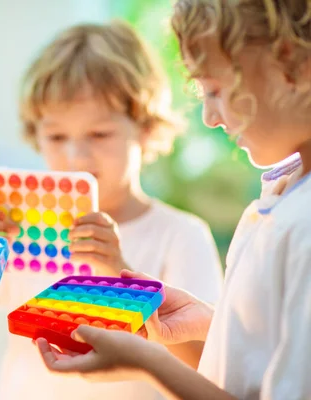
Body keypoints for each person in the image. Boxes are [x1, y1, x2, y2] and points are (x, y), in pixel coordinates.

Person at [36, 1, 311, 399]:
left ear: (293, 66)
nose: (209, 118)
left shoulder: (303, 225)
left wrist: (147, 361)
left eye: (215, 90)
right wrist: (214, 327)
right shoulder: (285, 193)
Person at [0, 20, 224, 400]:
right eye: (57, 137)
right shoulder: (21, 230)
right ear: (34, 134)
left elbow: (210, 370)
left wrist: (120, 275)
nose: (76, 156)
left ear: (144, 129)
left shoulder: (181, 235)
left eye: (99, 134)